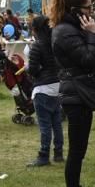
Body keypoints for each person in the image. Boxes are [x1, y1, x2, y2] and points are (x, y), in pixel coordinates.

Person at [51, 0, 95, 187]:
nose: (91, 12)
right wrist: (93, 35)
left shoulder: (70, 28)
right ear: (75, 10)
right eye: (88, 8)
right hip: (76, 95)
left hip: (77, 93)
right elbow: (89, 60)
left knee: (78, 151)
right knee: (76, 152)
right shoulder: (65, 31)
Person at [26, 15, 64, 167]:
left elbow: (33, 70)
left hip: (43, 88)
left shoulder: (37, 46)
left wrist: (31, 69)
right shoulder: (55, 43)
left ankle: (43, 156)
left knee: (45, 125)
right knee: (57, 123)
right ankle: (59, 153)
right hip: (57, 85)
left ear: (34, 29)